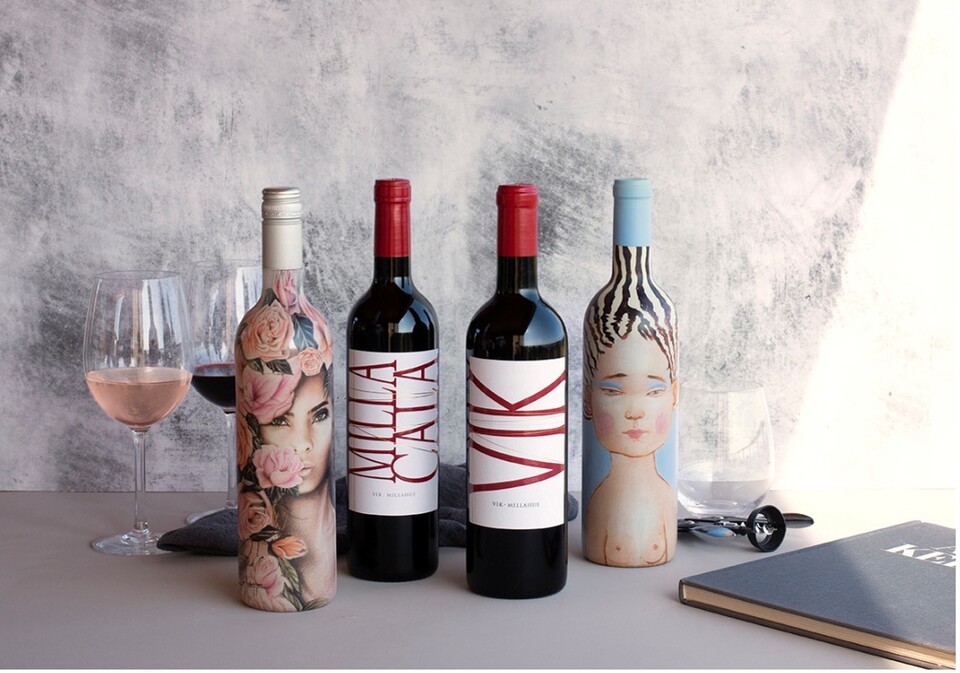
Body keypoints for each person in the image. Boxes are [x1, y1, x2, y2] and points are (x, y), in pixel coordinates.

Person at [583, 250, 678, 567]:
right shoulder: (600, 502)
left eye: (654, 391)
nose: (635, 412)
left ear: (674, 395)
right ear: (588, 399)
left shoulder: (666, 498)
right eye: (613, 391)